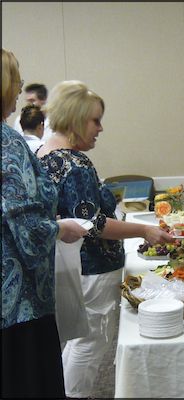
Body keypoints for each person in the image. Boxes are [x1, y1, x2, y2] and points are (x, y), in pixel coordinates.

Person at [36, 80, 174, 399]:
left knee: (73, 340)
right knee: (90, 341)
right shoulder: (75, 163)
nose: (100, 128)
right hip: (93, 268)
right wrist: (145, 230)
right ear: (75, 117)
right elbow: (93, 223)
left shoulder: (44, 154)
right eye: (95, 120)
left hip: (67, 264)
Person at [1, 48, 88, 398]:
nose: (20, 88)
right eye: (17, 80)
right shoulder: (7, 143)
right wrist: (59, 229)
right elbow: (27, 228)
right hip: (19, 303)